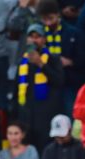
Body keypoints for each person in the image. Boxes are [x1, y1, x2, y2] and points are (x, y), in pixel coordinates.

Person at [14, 24, 64, 152]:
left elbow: (59, 81)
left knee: (44, 148)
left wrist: (41, 64)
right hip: (26, 114)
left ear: (44, 39)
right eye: (31, 37)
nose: (34, 40)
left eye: (38, 37)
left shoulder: (53, 59)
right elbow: (16, 88)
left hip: (46, 113)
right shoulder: (23, 62)